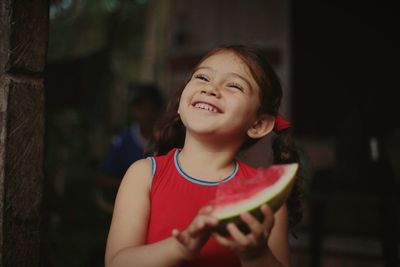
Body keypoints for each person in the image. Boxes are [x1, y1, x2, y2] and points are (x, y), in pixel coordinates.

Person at [105, 45, 302, 267]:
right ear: (181, 102)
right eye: (202, 77)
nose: (210, 88)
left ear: (258, 124)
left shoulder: (268, 201)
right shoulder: (142, 175)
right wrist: (179, 248)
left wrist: (256, 255)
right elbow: (116, 263)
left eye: (234, 85)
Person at [96, 84, 164, 212]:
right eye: (142, 108)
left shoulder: (169, 139)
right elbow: (103, 179)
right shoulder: (123, 141)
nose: (147, 114)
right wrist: (134, 185)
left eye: (152, 109)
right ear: (133, 111)